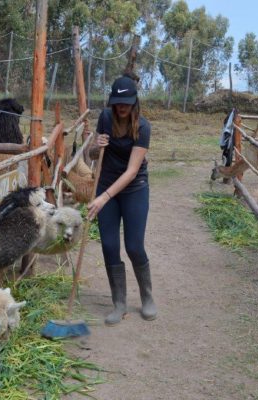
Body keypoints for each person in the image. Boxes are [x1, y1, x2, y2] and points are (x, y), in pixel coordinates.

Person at [87, 75, 157, 326]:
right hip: (105, 185)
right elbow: (91, 155)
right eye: (118, 102)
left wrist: (103, 198)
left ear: (134, 101)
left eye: (126, 102)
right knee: (108, 245)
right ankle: (119, 303)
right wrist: (96, 146)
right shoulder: (105, 118)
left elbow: (131, 172)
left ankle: (147, 298)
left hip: (134, 188)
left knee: (134, 246)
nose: (121, 107)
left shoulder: (143, 128)